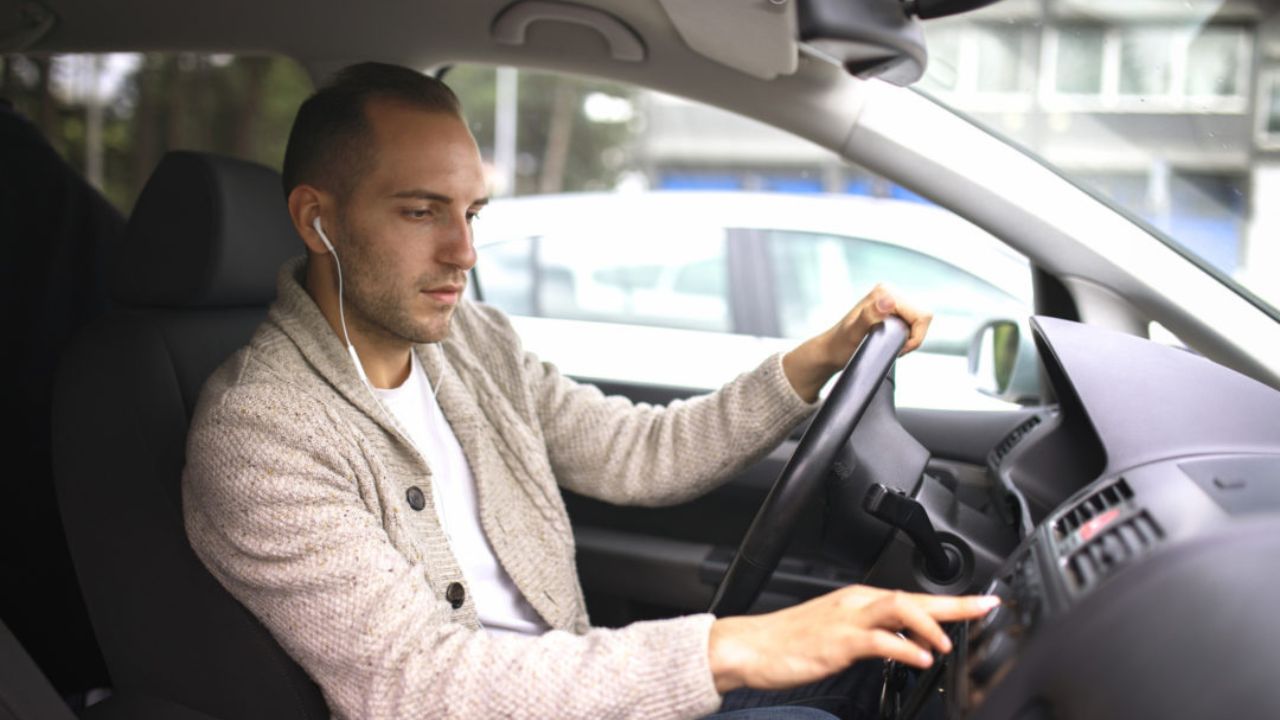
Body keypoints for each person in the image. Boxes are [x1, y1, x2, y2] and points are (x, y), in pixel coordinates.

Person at [182, 62, 998, 720]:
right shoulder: (260, 433)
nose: (464, 251)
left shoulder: (471, 342)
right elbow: (418, 688)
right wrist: (729, 648)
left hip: (579, 689)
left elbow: (639, 454)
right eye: (422, 211)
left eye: (472, 211)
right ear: (315, 218)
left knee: (883, 672)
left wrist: (820, 357)